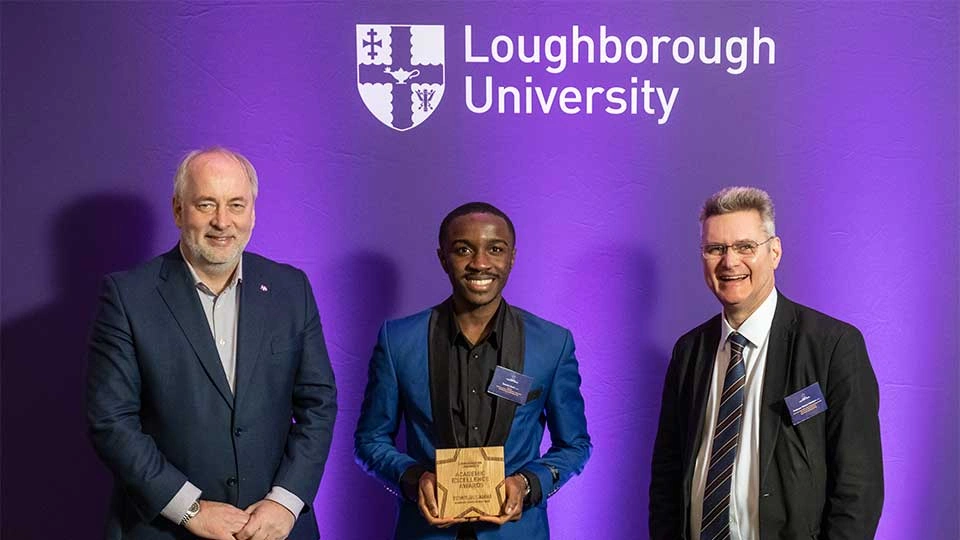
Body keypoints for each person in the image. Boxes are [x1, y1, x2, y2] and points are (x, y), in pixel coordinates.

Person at [86, 147, 337, 540]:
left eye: (236, 205)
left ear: (252, 212)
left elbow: (318, 406)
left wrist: (285, 501)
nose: (223, 222)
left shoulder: (292, 290)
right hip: (167, 529)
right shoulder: (128, 296)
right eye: (206, 204)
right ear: (177, 210)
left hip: (276, 528)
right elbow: (111, 421)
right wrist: (190, 509)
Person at [649, 186, 883, 539]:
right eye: (716, 249)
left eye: (745, 247)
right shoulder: (689, 352)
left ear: (774, 252)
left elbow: (858, 486)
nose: (730, 262)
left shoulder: (834, 346)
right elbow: (667, 474)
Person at [354, 202, 591, 540]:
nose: (480, 263)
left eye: (495, 249)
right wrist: (413, 478)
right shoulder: (398, 340)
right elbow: (370, 440)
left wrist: (528, 484)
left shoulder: (552, 344)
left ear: (511, 258)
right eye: (463, 249)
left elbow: (575, 444)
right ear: (443, 258)